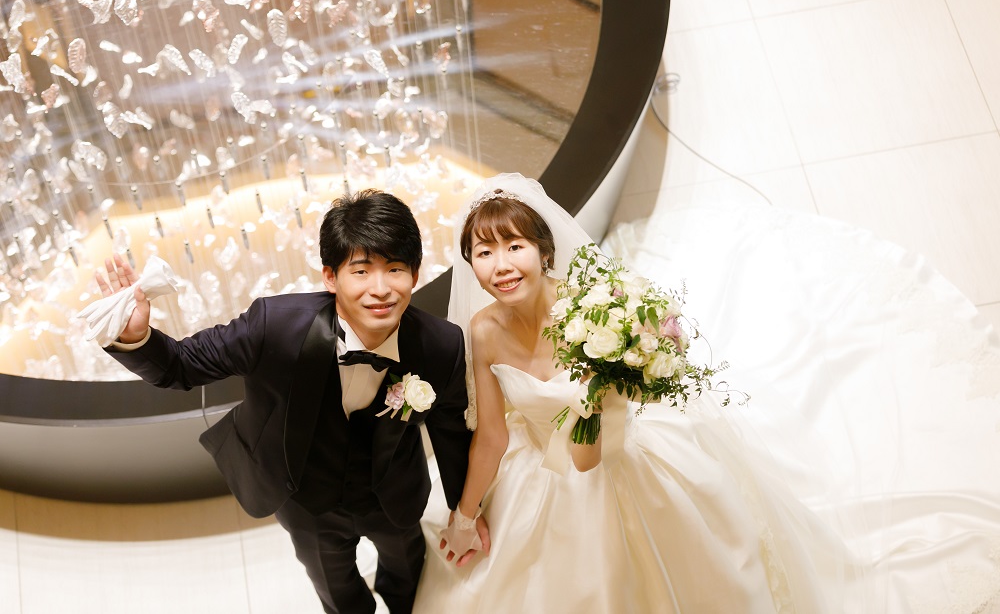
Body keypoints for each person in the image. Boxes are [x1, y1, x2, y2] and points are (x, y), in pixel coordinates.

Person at [417, 173, 1000, 612]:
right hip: (542, 470)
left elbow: (603, 439)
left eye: (514, 246)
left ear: (544, 251)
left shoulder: (594, 309)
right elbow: (492, 436)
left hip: (615, 454)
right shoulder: (483, 331)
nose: (500, 265)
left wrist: (606, 392)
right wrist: (466, 516)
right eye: (483, 253)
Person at [97, 189, 487, 614]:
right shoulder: (275, 327)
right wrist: (137, 337)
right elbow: (181, 366)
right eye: (361, 271)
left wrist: (464, 513)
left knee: (409, 576)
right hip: (306, 500)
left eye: (395, 269)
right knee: (339, 595)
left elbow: (452, 434)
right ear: (330, 277)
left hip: (394, 493)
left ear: (415, 274)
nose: (380, 289)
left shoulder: (441, 344)